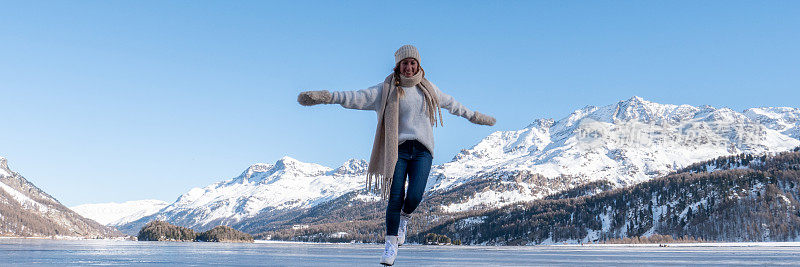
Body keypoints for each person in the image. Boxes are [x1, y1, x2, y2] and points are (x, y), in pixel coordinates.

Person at [297, 44, 495, 266]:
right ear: (398, 66)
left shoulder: (429, 89)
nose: (409, 67)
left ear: (418, 65)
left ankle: (405, 218)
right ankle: (390, 246)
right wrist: (324, 97)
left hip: (422, 150)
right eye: (404, 63)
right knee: (395, 198)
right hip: (397, 150)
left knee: (415, 196)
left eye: (412, 63)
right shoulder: (386, 90)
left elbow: (454, 105)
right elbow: (354, 97)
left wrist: (475, 117)